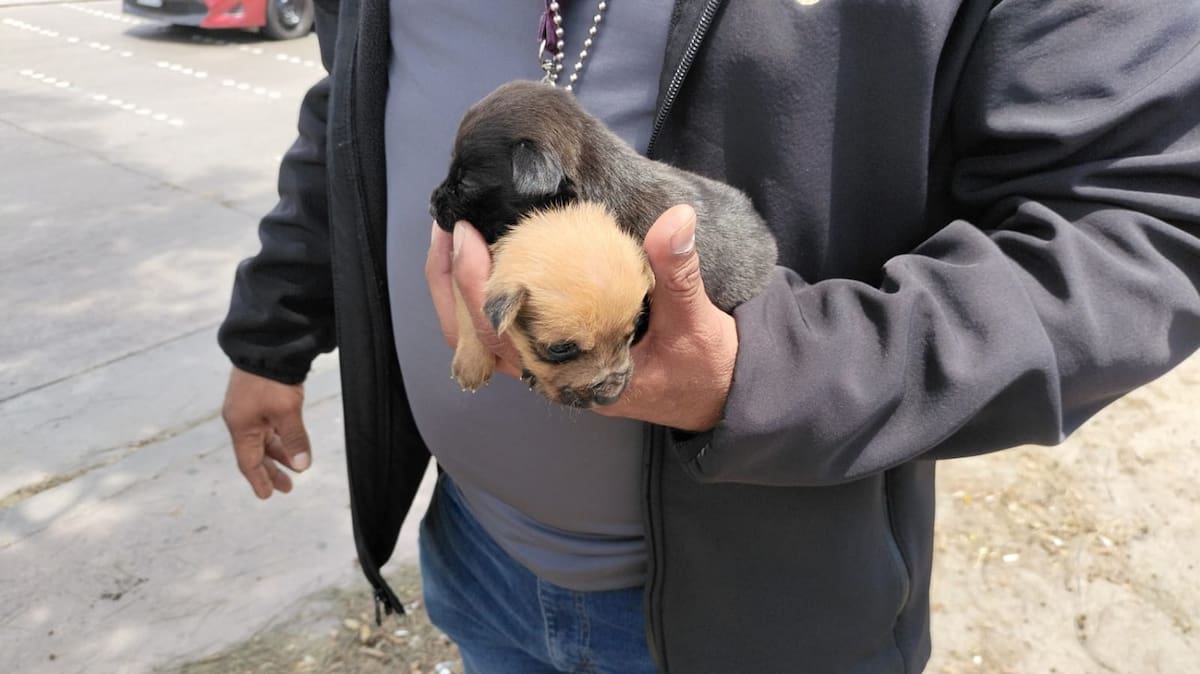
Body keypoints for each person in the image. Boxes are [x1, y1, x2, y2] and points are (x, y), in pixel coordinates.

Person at [218, 1, 1200, 672]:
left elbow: (1139, 219)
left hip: (762, 619)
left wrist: (763, 376)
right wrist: (272, 329)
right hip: (475, 554)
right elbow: (354, 100)